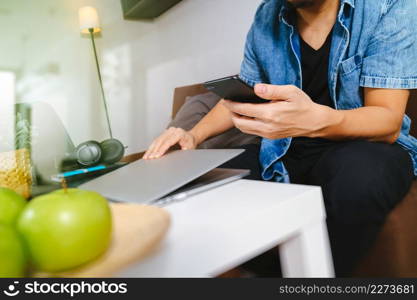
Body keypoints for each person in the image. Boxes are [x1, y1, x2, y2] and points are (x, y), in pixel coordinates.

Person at [144, 0, 417, 276]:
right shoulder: (267, 14)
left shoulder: (388, 6)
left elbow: (388, 120)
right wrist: (192, 135)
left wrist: (318, 121)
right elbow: (240, 96)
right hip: (285, 149)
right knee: (200, 180)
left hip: (362, 146)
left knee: (359, 177)